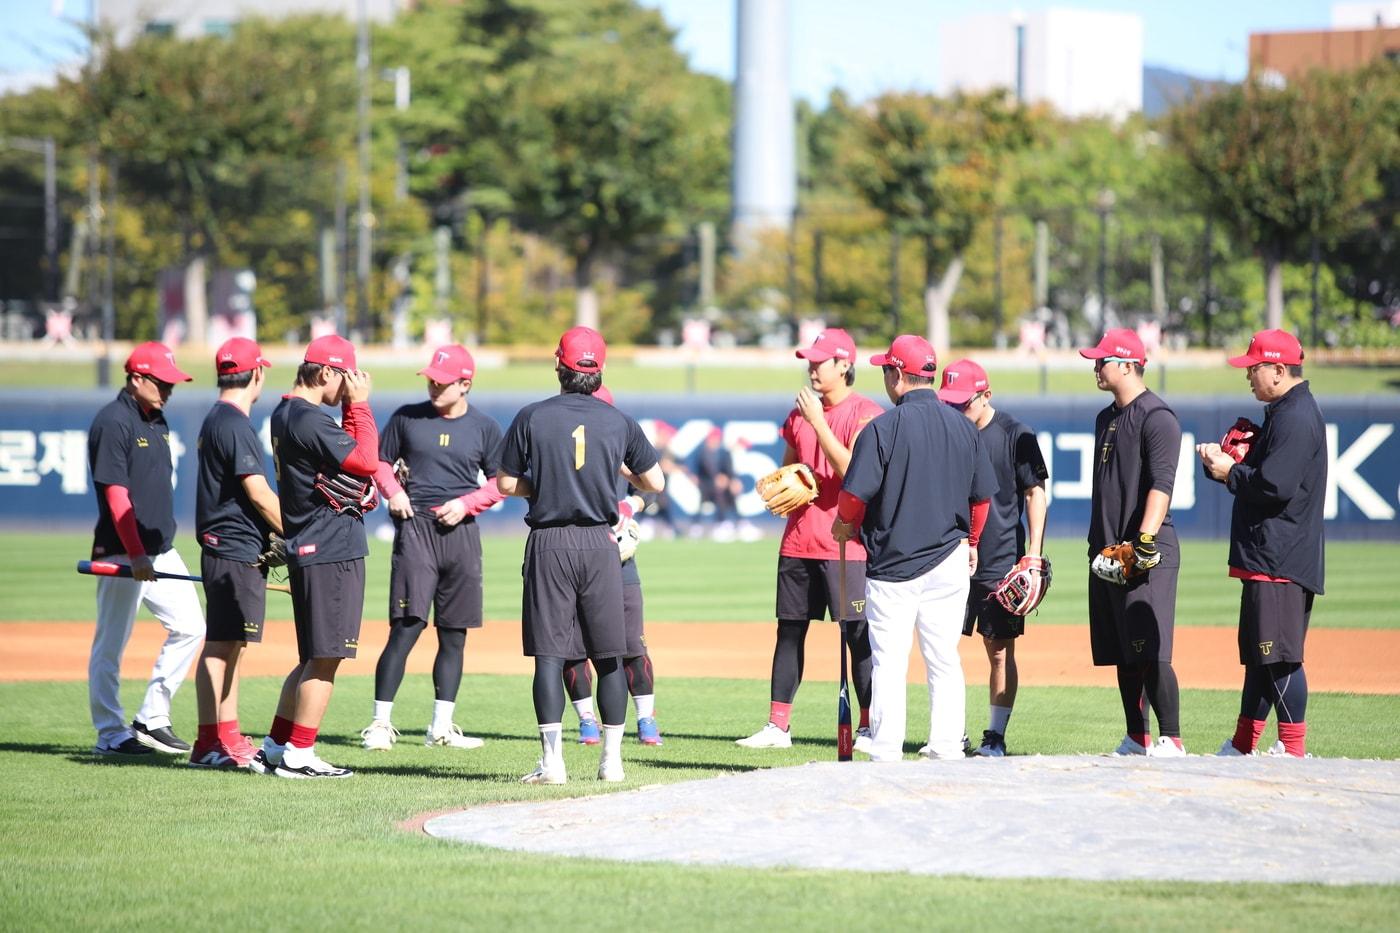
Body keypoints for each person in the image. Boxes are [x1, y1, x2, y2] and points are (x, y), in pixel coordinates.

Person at [495, 327, 664, 785]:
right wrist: (613, 475)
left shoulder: (531, 416)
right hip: (600, 543)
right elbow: (656, 483)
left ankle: (553, 764)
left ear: (560, 366)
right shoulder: (620, 421)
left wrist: (544, 487)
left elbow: (506, 484)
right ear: (599, 369)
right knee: (610, 654)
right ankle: (612, 762)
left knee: (549, 656)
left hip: (550, 542)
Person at [831, 335, 995, 763]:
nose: (885, 377)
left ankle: (886, 749)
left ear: (898, 375)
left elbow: (853, 498)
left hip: (894, 565)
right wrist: (973, 542)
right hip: (950, 558)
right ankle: (945, 746)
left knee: (889, 661)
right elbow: (982, 500)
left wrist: (844, 524)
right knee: (943, 657)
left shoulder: (883, 428)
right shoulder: (964, 427)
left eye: (886, 369)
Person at [736, 328, 883, 751]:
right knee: (789, 632)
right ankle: (777, 726)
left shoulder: (865, 414)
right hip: (798, 541)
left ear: (844, 366)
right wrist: (787, 480)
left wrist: (819, 422)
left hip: (847, 545)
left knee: (857, 636)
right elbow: (789, 469)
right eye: (809, 360)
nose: (812, 367)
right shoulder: (797, 414)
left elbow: (855, 472)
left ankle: (869, 726)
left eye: (820, 361)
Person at [360, 345, 503, 753]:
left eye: (441, 381)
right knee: (406, 627)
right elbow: (381, 462)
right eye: (430, 379)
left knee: (454, 635)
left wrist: (467, 503)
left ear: (465, 384)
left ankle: (441, 726)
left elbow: (500, 482)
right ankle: (379, 724)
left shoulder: (485, 428)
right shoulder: (408, 417)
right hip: (415, 528)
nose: (433, 385)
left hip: (461, 532)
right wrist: (393, 491)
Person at [251, 335, 379, 779]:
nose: (349, 386)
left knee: (312, 657)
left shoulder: (286, 412)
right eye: (345, 378)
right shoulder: (307, 418)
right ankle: (300, 755)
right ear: (326, 372)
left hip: (309, 544)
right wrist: (360, 407)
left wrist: (348, 407)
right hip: (330, 549)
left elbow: (346, 455)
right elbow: (366, 461)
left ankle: (274, 746)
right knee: (326, 658)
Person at [1197, 330, 1326, 758]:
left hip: (1280, 556)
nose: (1248, 375)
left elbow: (1276, 486)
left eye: (1254, 368)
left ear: (1278, 369)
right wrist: (1235, 462)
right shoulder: (1283, 412)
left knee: (1281, 657)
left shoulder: (1295, 416)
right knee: (1261, 657)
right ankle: (1242, 744)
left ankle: (1292, 750)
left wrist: (1230, 471)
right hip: (1269, 554)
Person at [86, 341, 206, 756]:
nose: (168, 390)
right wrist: (135, 552)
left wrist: (150, 550)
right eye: (161, 382)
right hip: (123, 551)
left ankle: (152, 717)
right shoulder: (113, 422)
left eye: (171, 383)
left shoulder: (157, 419)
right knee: (111, 644)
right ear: (136, 378)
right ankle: (109, 733)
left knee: (192, 626)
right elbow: (118, 497)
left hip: (160, 548)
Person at [1080, 328, 1186, 757]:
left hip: (1147, 552)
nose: (1095, 367)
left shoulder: (1157, 417)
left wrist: (1143, 541)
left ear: (1127, 364)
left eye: (1102, 360)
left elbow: (1162, 485)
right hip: (1108, 550)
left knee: (1150, 648)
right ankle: (1136, 736)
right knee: (1124, 651)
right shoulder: (1106, 418)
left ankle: (1172, 737)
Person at [938, 358, 1048, 758]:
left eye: (963, 402)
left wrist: (1032, 555)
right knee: (940, 647)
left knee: (998, 649)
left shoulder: (1016, 433)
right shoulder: (949, 432)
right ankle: (951, 733)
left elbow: (1036, 493)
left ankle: (995, 736)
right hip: (947, 555)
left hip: (1000, 558)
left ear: (986, 396)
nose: (957, 409)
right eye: (949, 402)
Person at [190, 338, 282, 768]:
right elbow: (260, 494)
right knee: (221, 645)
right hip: (231, 545)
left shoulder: (217, 419)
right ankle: (208, 743)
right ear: (258, 373)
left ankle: (227, 735)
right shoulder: (234, 423)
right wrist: (297, 533)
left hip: (233, 544)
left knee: (234, 643)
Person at [560, 384, 663, 747]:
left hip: (620, 561)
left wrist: (631, 506)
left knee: (632, 644)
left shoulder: (620, 438)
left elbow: (653, 485)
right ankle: (587, 718)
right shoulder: (559, 444)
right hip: (573, 555)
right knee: (573, 647)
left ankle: (645, 718)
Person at [692, 426, 742, 540]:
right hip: (706, 486)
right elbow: (702, 473)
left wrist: (731, 481)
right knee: (718, 491)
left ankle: (737, 523)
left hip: (721, 487)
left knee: (728, 492)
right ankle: (720, 523)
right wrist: (717, 479)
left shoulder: (723, 454)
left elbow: (728, 471)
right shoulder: (702, 453)